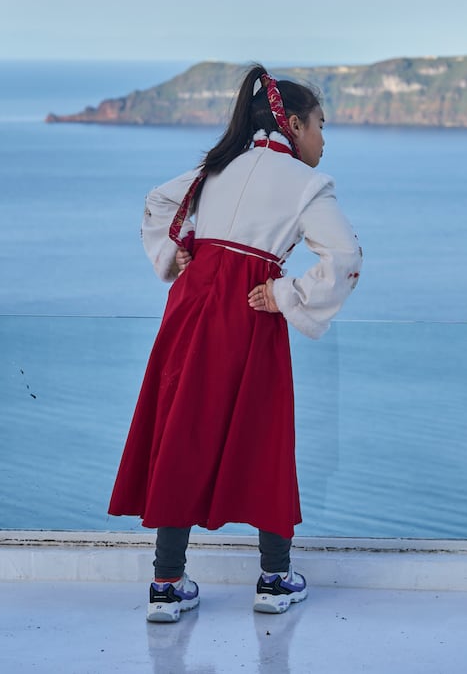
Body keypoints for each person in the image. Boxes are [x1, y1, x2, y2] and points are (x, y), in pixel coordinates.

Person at [108, 65, 362, 622]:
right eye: (320, 124)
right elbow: (345, 259)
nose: (324, 138)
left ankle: (167, 585)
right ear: (292, 124)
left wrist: (178, 255)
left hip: (191, 307)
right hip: (250, 309)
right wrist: (288, 293)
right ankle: (274, 579)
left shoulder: (215, 168)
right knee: (264, 434)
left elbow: (157, 203)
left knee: (182, 429)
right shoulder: (307, 184)